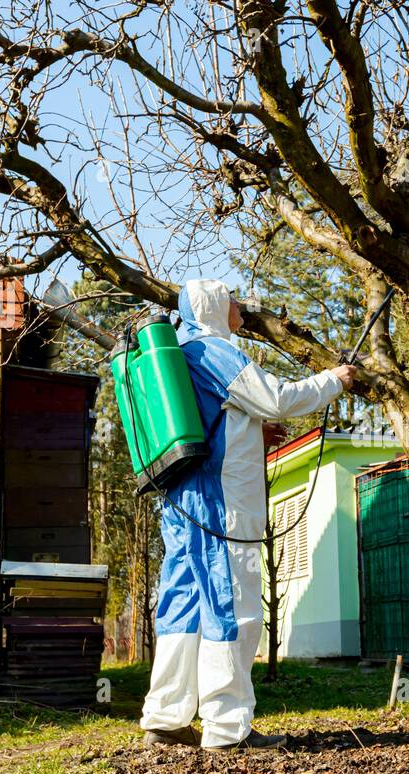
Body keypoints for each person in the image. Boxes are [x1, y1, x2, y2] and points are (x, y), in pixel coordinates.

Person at [140, 277, 357, 750]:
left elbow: (220, 418)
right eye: (233, 300)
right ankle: (227, 727)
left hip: (182, 502)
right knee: (232, 607)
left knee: (183, 605)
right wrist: (333, 382)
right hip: (220, 506)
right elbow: (275, 398)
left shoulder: (182, 354)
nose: (241, 308)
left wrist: (251, 433)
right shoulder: (216, 351)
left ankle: (165, 717)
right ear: (215, 305)